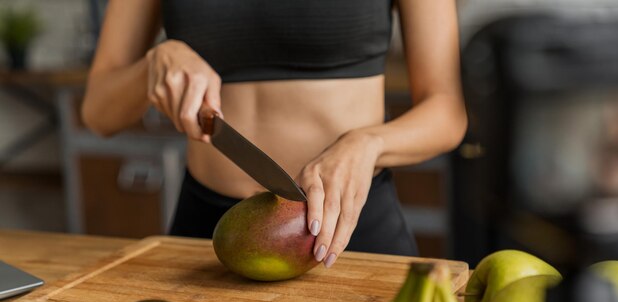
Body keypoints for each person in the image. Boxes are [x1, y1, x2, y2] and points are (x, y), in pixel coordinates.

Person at [81, 0, 467, 268]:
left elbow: (447, 110)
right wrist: (154, 63)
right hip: (208, 237)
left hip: (345, 232)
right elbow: (98, 111)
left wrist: (369, 143)